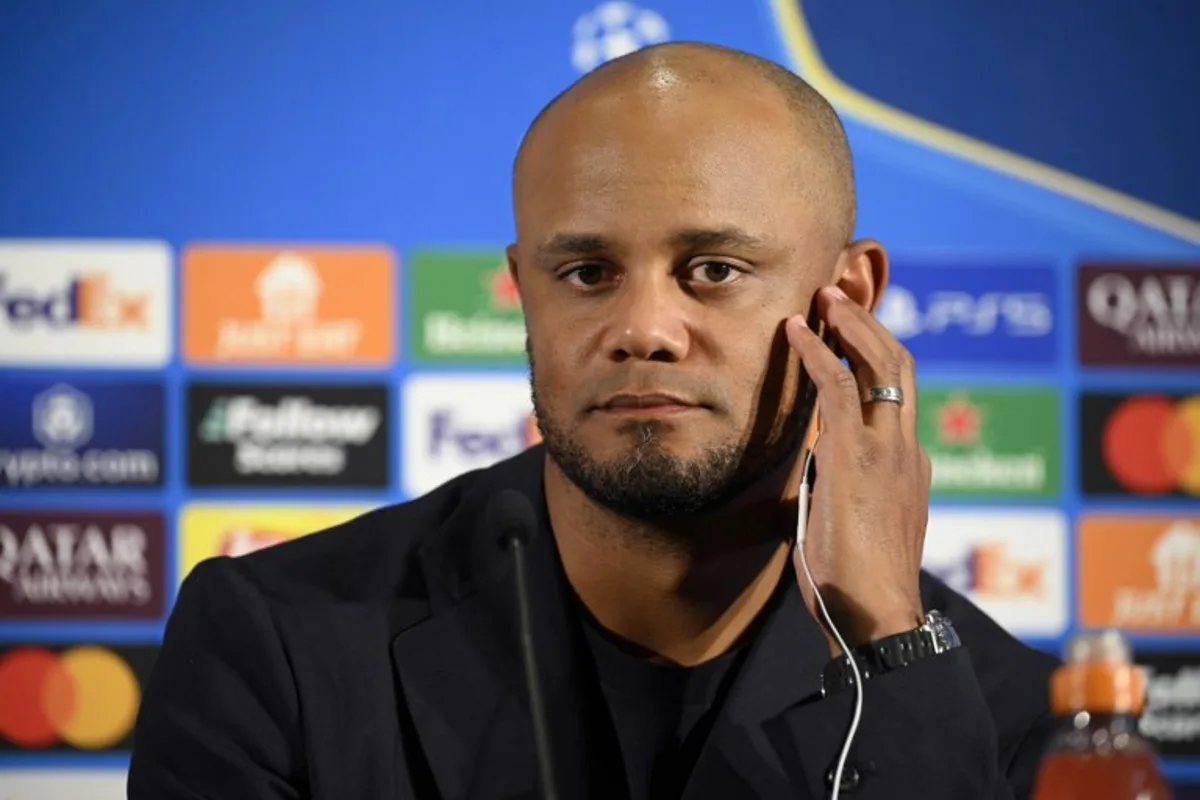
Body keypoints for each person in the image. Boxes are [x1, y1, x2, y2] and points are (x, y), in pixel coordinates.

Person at [128, 42, 1059, 799]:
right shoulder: (274, 649)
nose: (642, 330)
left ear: (844, 299)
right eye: (586, 273)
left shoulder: (994, 709)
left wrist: (888, 642)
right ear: (523, 288)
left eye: (714, 269)